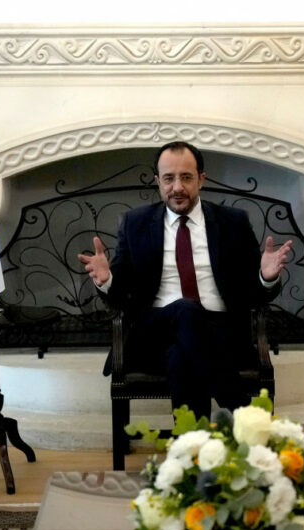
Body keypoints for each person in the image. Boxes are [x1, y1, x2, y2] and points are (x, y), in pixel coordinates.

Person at [79, 141, 292, 417]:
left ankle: (193, 441)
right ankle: (244, 414)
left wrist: (265, 277)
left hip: (221, 332)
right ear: (158, 181)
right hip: (155, 332)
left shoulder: (232, 222)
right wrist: (106, 280)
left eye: (186, 177)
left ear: (201, 179)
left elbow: (254, 293)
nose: (177, 187)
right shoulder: (135, 223)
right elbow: (121, 296)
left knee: (182, 357)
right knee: (185, 309)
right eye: (169, 178)